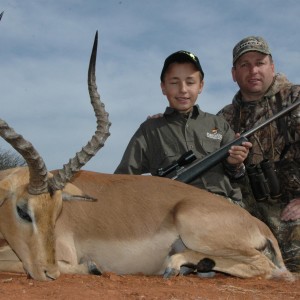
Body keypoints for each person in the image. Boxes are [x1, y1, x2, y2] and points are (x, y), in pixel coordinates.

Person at [115, 50, 252, 205]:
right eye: (174, 82)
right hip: (173, 208)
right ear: (163, 87)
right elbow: (122, 179)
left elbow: (238, 175)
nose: (183, 89)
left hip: (225, 204)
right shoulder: (149, 129)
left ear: (200, 86)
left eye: (190, 82)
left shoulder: (219, 124)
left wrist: (235, 163)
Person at [217, 36, 300, 272]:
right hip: (248, 210)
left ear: (272, 67)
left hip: (291, 206)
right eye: (244, 64)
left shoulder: (294, 99)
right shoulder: (223, 118)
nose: (253, 70)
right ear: (234, 73)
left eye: (260, 62)